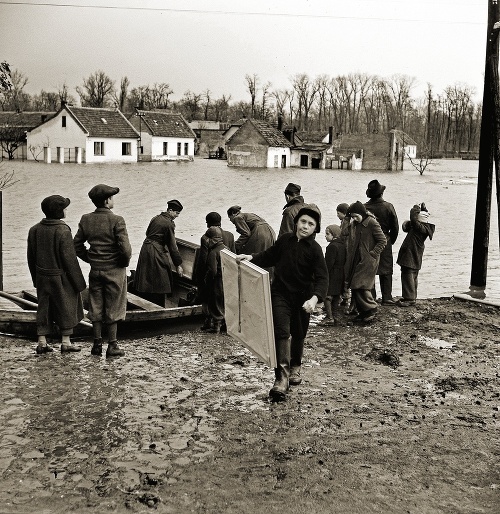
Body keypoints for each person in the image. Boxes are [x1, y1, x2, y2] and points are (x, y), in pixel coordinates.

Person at [237, 204, 328, 401]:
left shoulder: (315, 250)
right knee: (281, 331)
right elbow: (269, 256)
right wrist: (251, 257)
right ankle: (281, 378)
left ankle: (296, 366)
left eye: (310, 224)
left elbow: (322, 279)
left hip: (304, 298)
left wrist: (314, 299)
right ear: (296, 222)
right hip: (281, 294)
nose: (305, 226)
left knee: (299, 332)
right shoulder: (285, 240)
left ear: (315, 229)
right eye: (303, 221)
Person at [74, 184, 132, 358]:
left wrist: (90, 258)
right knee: (114, 306)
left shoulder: (86, 219)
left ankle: (97, 344)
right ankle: (112, 345)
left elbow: (76, 245)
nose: (113, 200)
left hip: (96, 269)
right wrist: (122, 263)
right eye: (112, 198)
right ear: (107, 200)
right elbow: (126, 250)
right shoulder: (117, 220)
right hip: (114, 270)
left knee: (96, 306)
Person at [27, 195, 87, 354]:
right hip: (61, 277)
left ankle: (42, 342)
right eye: (64, 208)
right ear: (59, 212)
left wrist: (35, 279)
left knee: (43, 307)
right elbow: (70, 259)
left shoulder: (34, 229)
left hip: (42, 276)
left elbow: (30, 257)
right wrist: (79, 283)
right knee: (66, 306)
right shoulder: (63, 230)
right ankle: (66, 342)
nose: (66, 210)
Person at [133, 199, 184, 306]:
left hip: (145, 248)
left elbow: (148, 232)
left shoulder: (155, 218)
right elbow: (172, 246)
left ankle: (145, 301)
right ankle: (158, 304)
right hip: (156, 251)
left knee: (146, 277)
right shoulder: (168, 224)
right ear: (170, 210)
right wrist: (178, 264)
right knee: (161, 278)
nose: (177, 215)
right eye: (177, 213)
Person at [344, 201, 386, 323]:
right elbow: (344, 233)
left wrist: (373, 253)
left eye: (356, 216)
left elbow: (382, 240)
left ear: (362, 213)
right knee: (356, 285)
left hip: (368, 260)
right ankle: (364, 312)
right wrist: (348, 218)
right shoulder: (356, 224)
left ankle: (371, 309)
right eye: (352, 216)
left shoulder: (372, 223)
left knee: (360, 285)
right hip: (358, 258)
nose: (354, 218)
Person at [196, 211, 235, 331]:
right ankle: (224, 323)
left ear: (208, 224)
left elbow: (203, 259)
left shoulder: (206, 238)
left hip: (213, 275)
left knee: (211, 297)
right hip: (226, 274)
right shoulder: (229, 236)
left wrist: (201, 277)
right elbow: (233, 254)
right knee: (223, 298)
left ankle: (211, 321)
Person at [364, 180, 399, 305]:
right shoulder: (388, 206)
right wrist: (391, 241)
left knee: (370, 270)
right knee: (386, 270)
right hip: (385, 240)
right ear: (381, 194)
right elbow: (395, 227)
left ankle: (371, 297)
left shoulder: (364, 207)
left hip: (369, 242)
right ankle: (387, 297)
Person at [396, 203, 435, 307]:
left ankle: (409, 298)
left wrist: (415, 209)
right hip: (414, 255)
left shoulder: (419, 228)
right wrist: (424, 210)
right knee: (413, 276)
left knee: (408, 275)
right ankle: (411, 296)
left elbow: (413, 219)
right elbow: (414, 221)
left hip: (410, 255)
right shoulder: (425, 228)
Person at [320, 224, 346, 326]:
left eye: (327, 234)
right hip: (341, 273)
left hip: (332, 273)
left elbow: (328, 263)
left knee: (327, 295)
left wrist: (323, 274)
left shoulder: (331, 247)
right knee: (336, 295)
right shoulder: (342, 245)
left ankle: (329, 317)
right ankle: (335, 316)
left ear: (334, 235)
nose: (325, 236)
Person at [203, 226, 228, 334]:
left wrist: (206, 279)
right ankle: (225, 325)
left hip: (217, 281)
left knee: (215, 302)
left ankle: (216, 326)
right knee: (223, 302)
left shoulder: (213, 252)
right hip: (226, 279)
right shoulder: (227, 249)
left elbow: (212, 270)